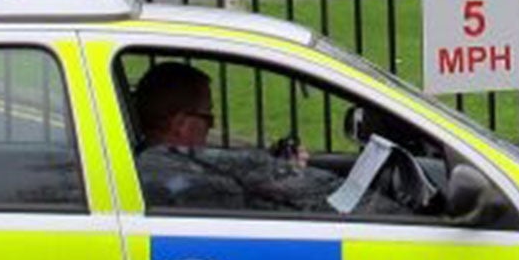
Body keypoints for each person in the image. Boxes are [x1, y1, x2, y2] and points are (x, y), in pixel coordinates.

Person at [132, 61, 358, 215]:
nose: (213, 125)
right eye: (207, 117)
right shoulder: (184, 182)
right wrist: (290, 179)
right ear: (181, 124)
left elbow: (229, 167)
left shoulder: (158, 162)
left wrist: (280, 168)